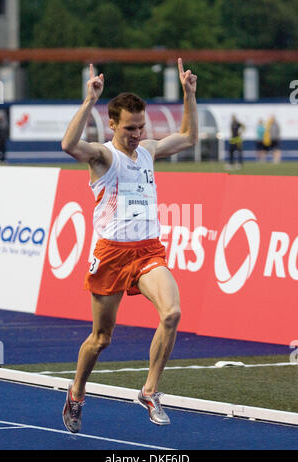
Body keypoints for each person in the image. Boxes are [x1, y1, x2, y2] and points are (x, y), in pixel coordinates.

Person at [61, 58, 198, 433]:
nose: (137, 134)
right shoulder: (104, 156)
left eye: (141, 127)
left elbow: (188, 137)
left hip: (148, 251)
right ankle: (77, 392)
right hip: (110, 254)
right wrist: (89, 101)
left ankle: (150, 390)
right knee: (101, 338)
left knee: (171, 314)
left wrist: (189, 95)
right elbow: (68, 144)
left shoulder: (149, 150)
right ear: (113, 125)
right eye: (130, 128)